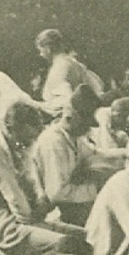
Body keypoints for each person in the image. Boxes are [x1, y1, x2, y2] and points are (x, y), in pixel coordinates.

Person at [0, 100, 70, 255]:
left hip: (19, 215)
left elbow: (31, 179)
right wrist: (38, 221)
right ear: (11, 129)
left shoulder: (18, 142)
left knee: (85, 236)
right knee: (65, 243)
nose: (27, 145)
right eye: (25, 139)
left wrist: (41, 198)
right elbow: (14, 196)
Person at [29, 83, 104, 226]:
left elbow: (93, 154)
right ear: (70, 117)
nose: (87, 128)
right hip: (51, 214)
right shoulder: (53, 142)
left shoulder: (71, 136)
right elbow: (57, 193)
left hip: (68, 207)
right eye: (85, 123)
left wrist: (124, 155)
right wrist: (96, 189)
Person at [35, 28, 103, 115]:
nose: (41, 55)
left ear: (48, 49)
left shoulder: (58, 68)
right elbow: (98, 86)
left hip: (68, 116)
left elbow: (65, 99)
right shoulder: (75, 63)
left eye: (41, 51)